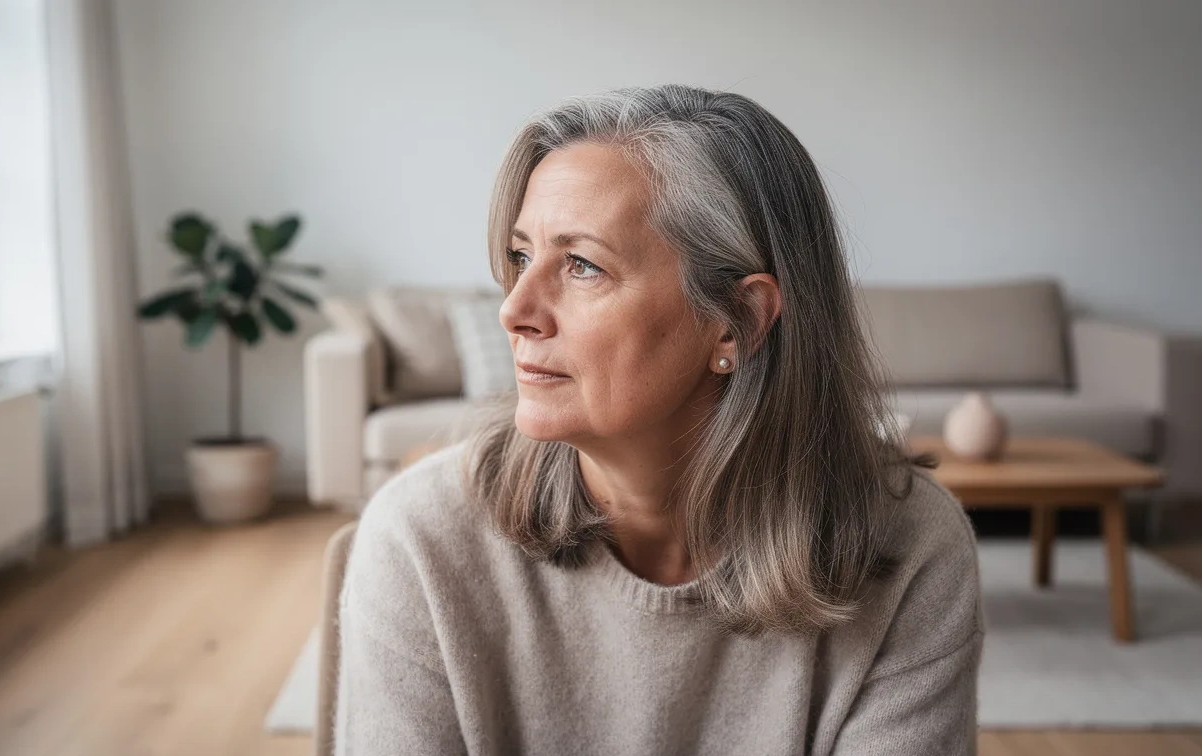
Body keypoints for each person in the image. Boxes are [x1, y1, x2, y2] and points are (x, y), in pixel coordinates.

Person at [332, 84, 983, 755]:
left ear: (737, 322)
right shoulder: (421, 540)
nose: (515, 309)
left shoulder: (910, 550)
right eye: (522, 257)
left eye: (582, 265)